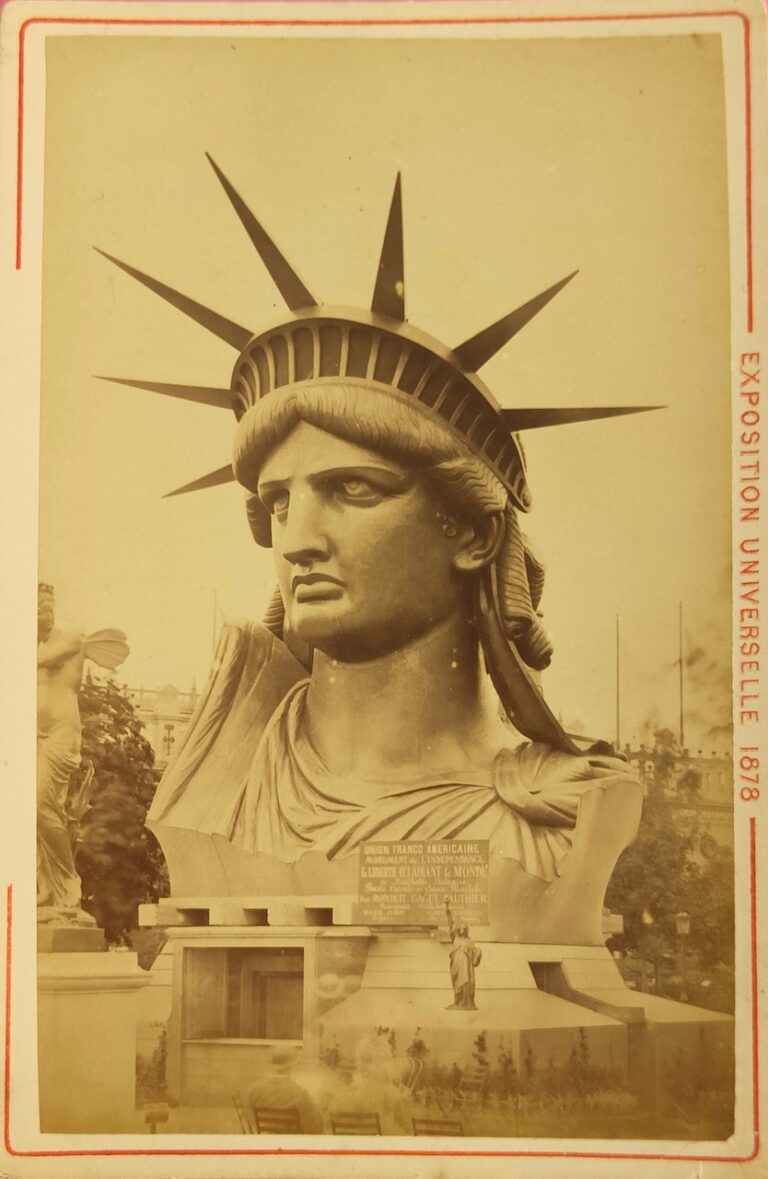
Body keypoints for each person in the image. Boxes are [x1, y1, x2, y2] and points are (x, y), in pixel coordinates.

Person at [103, 163, 644, 938]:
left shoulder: (563, 807)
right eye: (278, 502)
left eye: (353, 489)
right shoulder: (213, 785)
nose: (296, 540)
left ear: (475, 533)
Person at [37, 584, 129, 923]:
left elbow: (43, 659)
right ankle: (49, 889)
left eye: (41, 610)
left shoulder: (70, 637)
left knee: (41, 807)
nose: (37, 617)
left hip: (62, 734)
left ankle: (69, 882)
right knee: (38, 814)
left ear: (51, 609)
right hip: (37, 735)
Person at [246, 1046, 324, 1134]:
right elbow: (313, 1130)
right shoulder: (301, 1094)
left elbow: (251, 1122)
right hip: (292, 1144)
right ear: (292, 1066)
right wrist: (318, 1108)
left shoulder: (253, 1090)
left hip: (265, 1142)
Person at [445, 900, 482, 1009]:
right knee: (457, 982)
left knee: (466, 980)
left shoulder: (469, 941)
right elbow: (450, 922)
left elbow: (476, 957)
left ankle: (466, 1002)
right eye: (461, 928)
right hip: (456, 965)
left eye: (465, 929)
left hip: (466, 967)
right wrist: (447, 908)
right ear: (458, 930)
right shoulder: (455, 938)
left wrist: (478, 952)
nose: (463, 930)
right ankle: (457, 1002)